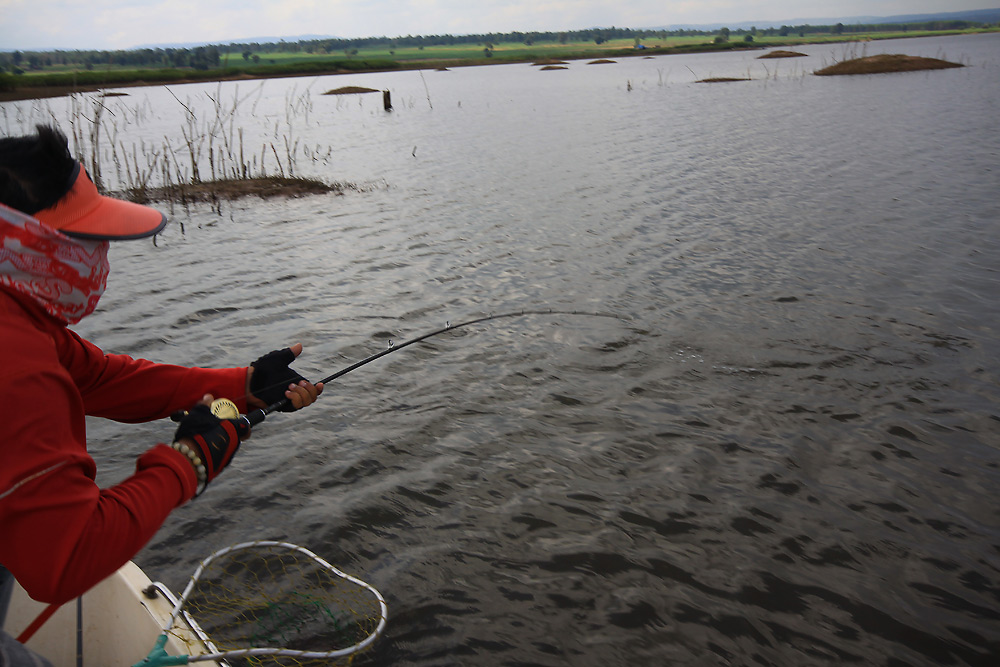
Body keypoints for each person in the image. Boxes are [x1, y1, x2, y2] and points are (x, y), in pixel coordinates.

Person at [0, 125, 323, 661]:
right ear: (23, 243)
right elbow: (65, 561)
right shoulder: (13, 361)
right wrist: (188, 464)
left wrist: (243, 387)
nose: (99, 256)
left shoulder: (24, 327)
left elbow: (104, 380)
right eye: (83, 241)